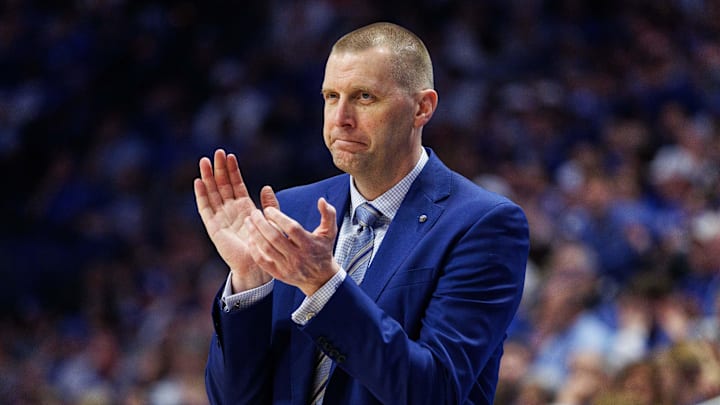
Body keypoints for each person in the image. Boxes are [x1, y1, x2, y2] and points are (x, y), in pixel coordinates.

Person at [193, 22, 529, 405]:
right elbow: (234, 399)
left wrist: (325, 287)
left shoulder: (483, 224)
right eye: (331, 96)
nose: (340, 118)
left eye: (364, 97)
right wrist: (249, 284)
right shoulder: (291, 211)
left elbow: (434, 391)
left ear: (423, 107)